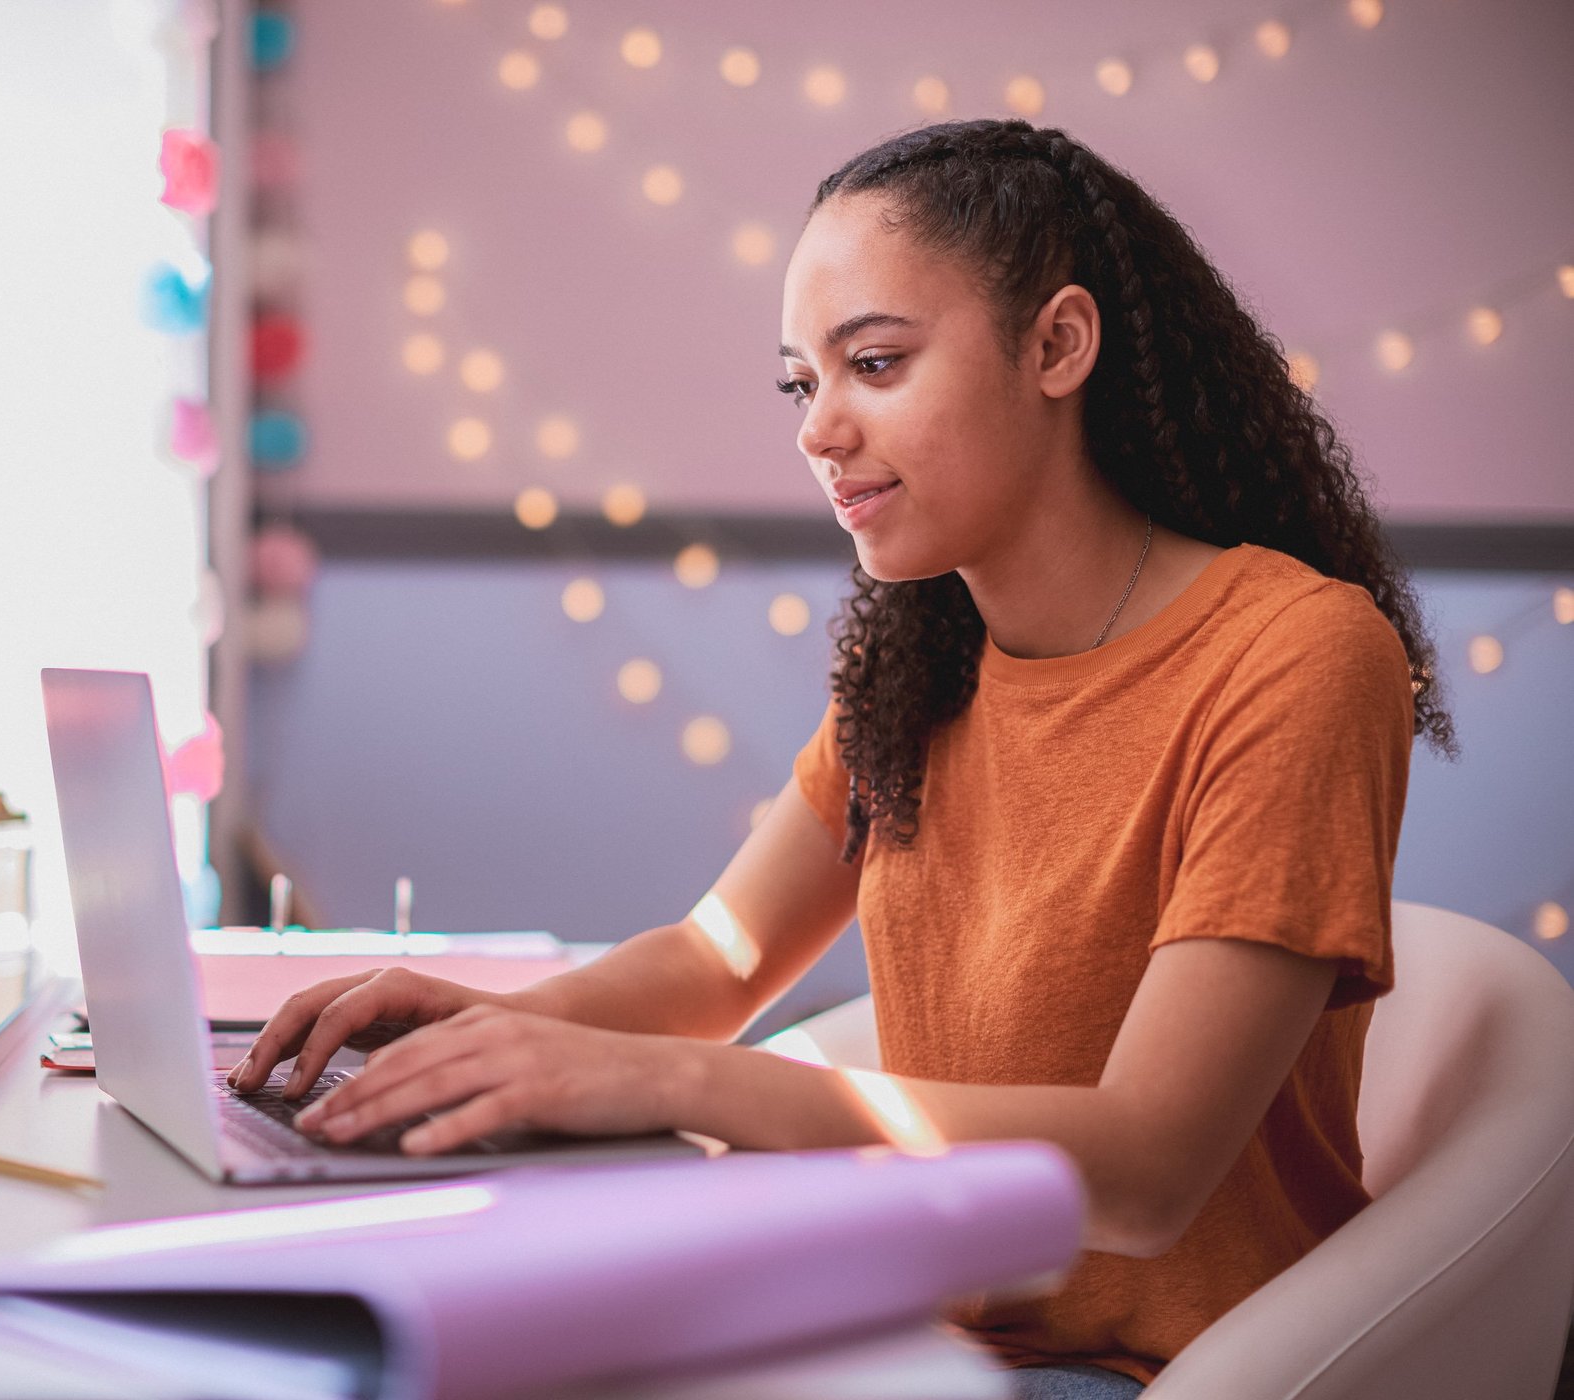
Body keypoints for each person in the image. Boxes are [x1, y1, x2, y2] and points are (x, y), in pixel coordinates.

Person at [227, 118, 1456, 1393]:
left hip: (1147, 1373)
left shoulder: (1298, 653)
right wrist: (486, 1027)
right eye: (801, 384)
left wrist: (668, 1080)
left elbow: (1146, 1168)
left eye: (873, 362)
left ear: (1059, 345)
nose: (819, 431)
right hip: (902, 1332)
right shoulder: (922, 660)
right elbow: (714, 959)